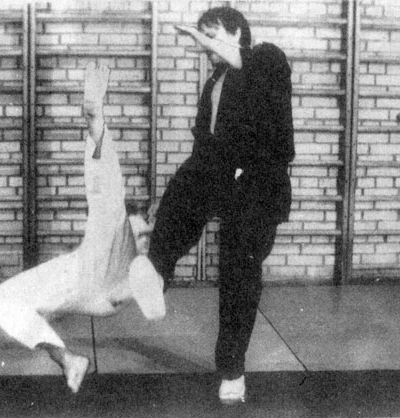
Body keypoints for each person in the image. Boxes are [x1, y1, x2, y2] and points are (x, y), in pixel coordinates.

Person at [0, 63, 166, 394]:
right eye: (144, 232)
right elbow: (104, 168)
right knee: (1, 301)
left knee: (144, 260)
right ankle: (68, 359)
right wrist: (94, 111)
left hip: (110, 284)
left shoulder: (149, 237)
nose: (145, 238)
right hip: (85, 276)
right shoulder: (114, 218)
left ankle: (141, 283)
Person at [147, 7, 294, 404]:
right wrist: (171, 199)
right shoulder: (215, 79)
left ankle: (232, 371)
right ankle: (156, 275)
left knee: (238, 275)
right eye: (202, 37)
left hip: (259, 184)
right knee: (178, 199)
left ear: (236, 32)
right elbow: (204, 145)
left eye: (211, 36)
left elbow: (248, 63)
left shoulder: (269, 58)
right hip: (219, 170)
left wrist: (198, 35)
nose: (204, 46)